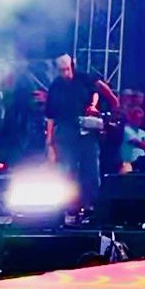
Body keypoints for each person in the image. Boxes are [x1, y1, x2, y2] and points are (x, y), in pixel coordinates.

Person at [44, 54, 119, 211]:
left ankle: (92, 204)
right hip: (65, 131)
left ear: (73, 66)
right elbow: (50, 115)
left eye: (68, 69)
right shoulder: (55, 86)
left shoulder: (83, 78)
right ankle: (67, 205)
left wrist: (107, 101)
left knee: (91, 169)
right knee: (67, 169)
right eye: (62, 70)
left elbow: (97, 89)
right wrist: (50, 141)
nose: (66, 73)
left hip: (86, 131)